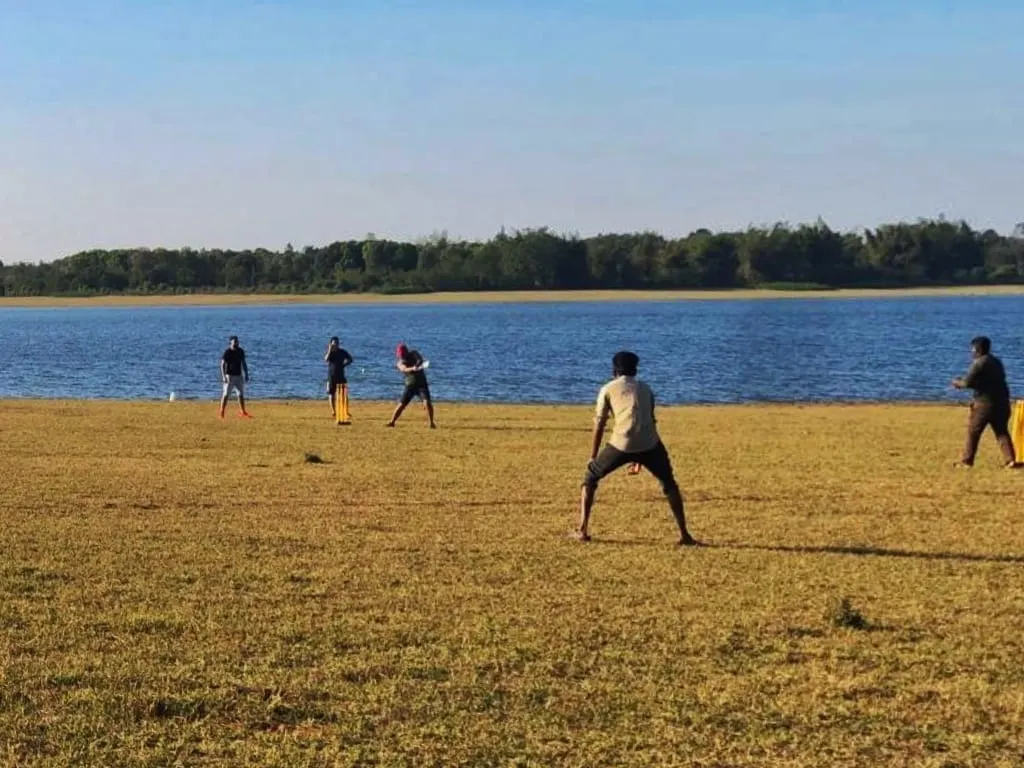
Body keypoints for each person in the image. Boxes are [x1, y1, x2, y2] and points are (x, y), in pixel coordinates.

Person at [578, 350, 697, 546]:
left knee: (590, 478)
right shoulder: (646, 388)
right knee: (669, 483)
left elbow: (600, 423)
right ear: (635, 369)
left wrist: (593, 456)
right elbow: (648, 421)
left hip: (621, 443)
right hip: (650, 444)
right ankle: (685, 534)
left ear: (614, 369)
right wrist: (640, 457)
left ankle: (582, 530)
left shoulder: (608, 389)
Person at [952, 336, 1019, 468]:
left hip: (985, 404)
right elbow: (991, 381)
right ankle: (1010, 460)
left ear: (977, 349)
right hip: (1002, 403)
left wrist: (957, 382)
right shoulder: (997, 362)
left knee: (973, 432)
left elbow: (967, 382)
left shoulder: (978, 363)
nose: (971, 351)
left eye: (972, 348)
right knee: (1001, 432)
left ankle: (967, 461)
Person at [386, 342, 436, 428]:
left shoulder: (414, 353)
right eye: (401, 355)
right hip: (410, 385)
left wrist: (418, 364)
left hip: (421, 385)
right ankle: (392, 421)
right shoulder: (399, 363)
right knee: (402, 404)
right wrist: (412, 368)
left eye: (403, 355)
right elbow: (404, 369)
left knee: (427, 403)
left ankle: (431, 423)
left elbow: (420, 359)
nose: (402, 357)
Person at [219, 335, 251, 419]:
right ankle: (222, 412)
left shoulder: (240, 351)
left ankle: (243, 412)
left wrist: (246, 374)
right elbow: (222, 364)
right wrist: (223, 376)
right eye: (234, 342)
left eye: (237, 342)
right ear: (230, 343)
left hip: (239, 376)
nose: (236, 343)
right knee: (226, 394)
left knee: (240, 394)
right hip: (229, 376)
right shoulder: (227, 352)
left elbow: (243, 363)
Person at [324, 336, 354, 419]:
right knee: (331, 394)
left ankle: (346, 411)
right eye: (334, 343)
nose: (336, 345)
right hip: (331, 376)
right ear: (331, 344)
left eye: (337, 343)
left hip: (341, 376)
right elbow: (326, 359)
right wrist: (330, 349)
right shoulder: (330, 353)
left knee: (344, 394)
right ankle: (334, 411)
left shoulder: (342, 352)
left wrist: (345, 364)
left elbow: (350, 359)